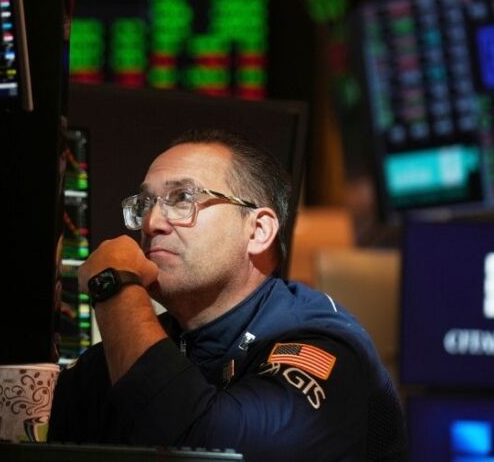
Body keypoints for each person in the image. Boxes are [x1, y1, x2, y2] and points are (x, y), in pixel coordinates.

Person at [48, 128, 406, 460]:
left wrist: (114, 286)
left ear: (259, 231)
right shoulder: (160, 338)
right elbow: (15, 431)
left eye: (182, 198)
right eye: (146, 204)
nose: (151, 223)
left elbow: (209, 449)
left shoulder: (324, 343)